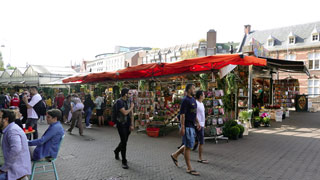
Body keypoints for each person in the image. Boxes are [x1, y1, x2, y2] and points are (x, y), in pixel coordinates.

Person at [170, 84, 200, 176]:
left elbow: (194, 113)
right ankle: (189, 168)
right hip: (186, 126)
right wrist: (182, 127)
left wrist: (197, 122)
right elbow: (182, 115)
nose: (195, 90)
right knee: (188, 147)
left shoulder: (193, 100)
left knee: (189, 144)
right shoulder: (185, 100)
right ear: (188, 90)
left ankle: (175, 155)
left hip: (192, 125)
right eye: (193, 88)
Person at [0, 109, 31, 180]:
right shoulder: (9, 129)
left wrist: (4, 168)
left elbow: (16, 149)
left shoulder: (12, 130)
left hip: (14, 171)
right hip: (13, 168)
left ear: (6, 119)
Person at [113, 88, 134, 169]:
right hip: (121, 124)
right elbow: (125, 112)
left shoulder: (129, 101)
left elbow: (131, 114)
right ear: (125, 94)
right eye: (129, 93)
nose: (130, 95)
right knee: (124, 142)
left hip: (128, 124)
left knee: (124, 141)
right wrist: (132, 107)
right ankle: (124, 161)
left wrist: (132, 124)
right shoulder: (119, 102)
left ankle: (116, 150)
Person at [193, 90, 209, 164]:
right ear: (200, 96)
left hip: (201, 124)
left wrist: (204, 123)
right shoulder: (196, 103)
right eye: (203, 94)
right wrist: (198, 123)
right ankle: (200, 158)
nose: (204, 95)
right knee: (201, 142)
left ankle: (179, 152)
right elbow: (194, 114)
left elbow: (202, 114)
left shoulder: (201, 103)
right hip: (198, 125)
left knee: (195, 141)